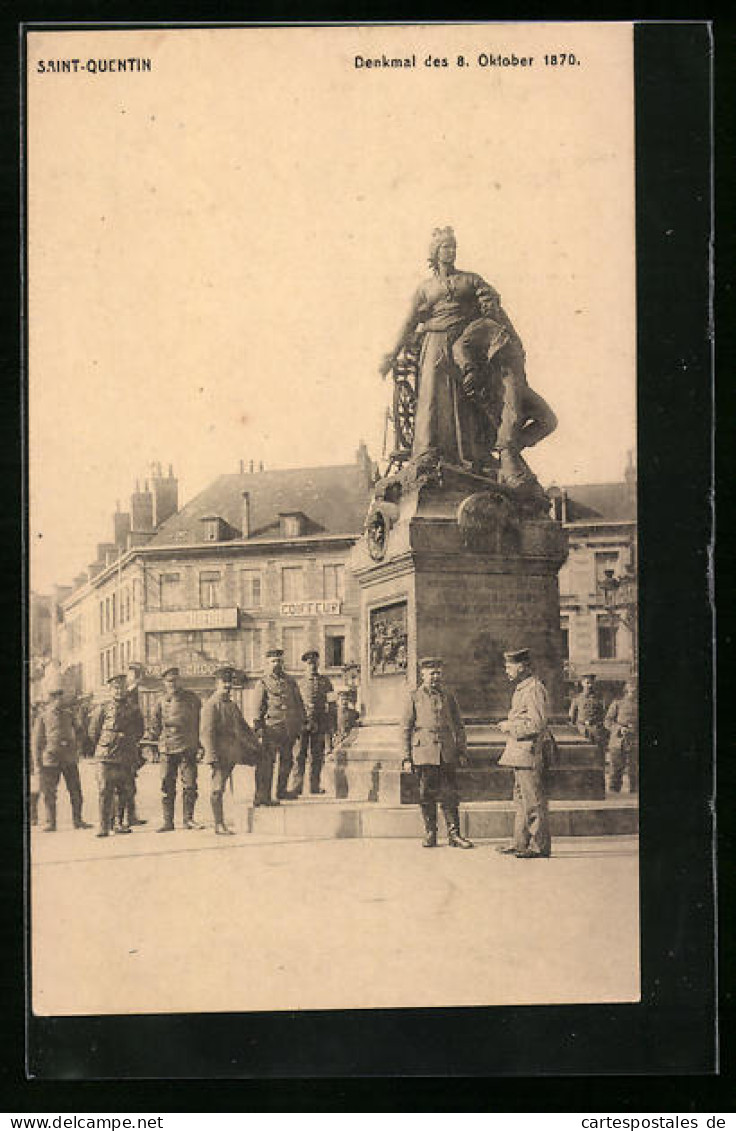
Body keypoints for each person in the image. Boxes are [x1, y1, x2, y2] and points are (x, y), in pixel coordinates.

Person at [379, 226, 556, 485]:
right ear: (435, 252)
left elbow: (493, 309)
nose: (450, 251)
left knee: (466, 404)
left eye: (453, 246)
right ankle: (428, 455)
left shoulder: (471, 280)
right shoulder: (425, 288)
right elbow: (409, 321)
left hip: (467, 345)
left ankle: (474, 456)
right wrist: (392, 354)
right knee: (432, 400)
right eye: (445, 247)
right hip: (435, 344)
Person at [400, 657, 474, 849]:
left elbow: (459, 725)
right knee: (426, 794)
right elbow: (405, 729)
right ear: (422, 674)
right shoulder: (414, 697)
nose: (435, 677)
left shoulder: (448, 696)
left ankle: (454, 834)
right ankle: (431, 833)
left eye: (438, 673)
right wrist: (406, 757)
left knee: (450, 794)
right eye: (431, 673)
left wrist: (462, 750)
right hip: (424, 753)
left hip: (446, 752)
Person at [496, 647, 553, 859]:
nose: (506, 671)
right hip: (520, 753)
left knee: (533, 800)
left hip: (529, 752)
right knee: (521, 799)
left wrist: (509, 726)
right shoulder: (523, 688)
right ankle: (520, 842)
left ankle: (539, 846)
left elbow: (537, 724)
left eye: (509, 666)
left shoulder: (533, 689)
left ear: (521, 667)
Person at [201, 667, 261, 835]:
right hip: (220, 754)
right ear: (217, 684)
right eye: (223, 682)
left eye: (229, 682)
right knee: (217, 788)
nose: (227, 685)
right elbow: (207, 733)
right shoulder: (211, 705)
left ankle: (255, 805)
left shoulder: (232, 705)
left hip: (234, 751)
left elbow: (242, 726)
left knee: (260, 764)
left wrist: (255, 743)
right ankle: (218, 824)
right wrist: (211, 755)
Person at [146, 666, 203, 832]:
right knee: (166, 785)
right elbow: (154, 726)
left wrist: (201, 745)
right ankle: (168, 822)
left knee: (190, 785)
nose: (173, 684)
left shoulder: (192, 699)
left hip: (187, 747)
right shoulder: (160, 701)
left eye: (175, 680)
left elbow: (199, 723)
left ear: (180, 681)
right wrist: (150, 745)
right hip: (167, 748)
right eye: (169, 681)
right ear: (164, 683)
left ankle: (188, 819)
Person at [32, 676, 92, 832]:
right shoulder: (43, 717)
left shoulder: (70, 715)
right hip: (50, 760)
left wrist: (77, 746)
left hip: (69, 759)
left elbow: (81, 732)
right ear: (50, 700)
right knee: (49, 793)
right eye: (55, 697)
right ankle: (51, 823)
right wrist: (37, 763)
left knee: (75, 791)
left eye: (60, 696)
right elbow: (37, 742)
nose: (58, 700)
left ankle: (78, 821)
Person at [90, 673, 145, 837]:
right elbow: (93, 732)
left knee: (123, 790)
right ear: (110, 689)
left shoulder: (134, 709)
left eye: (122, 687)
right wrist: (109, 741)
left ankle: (119, 823)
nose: (119, 691)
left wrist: (128, 740)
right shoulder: (103, 708)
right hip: (105, 755)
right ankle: (103, 826)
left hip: (125, 755)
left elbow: (140, 731)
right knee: (104, 790)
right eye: (116, 687)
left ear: (126, 689)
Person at [253, 648, 306, 805]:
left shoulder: (290, 681)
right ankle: (263, 796)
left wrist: (302, 723)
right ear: (267, 664)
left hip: (288, 728)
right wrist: (258, 726)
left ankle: (281, 791)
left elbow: (299, 703)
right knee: (267, 763)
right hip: (272, 728)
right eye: (273, 661)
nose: (276, 664)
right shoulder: (262, 682)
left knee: (287, 761)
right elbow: (258, 707)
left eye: (279, 661)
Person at [290, 650, 334, 796]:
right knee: (299, 755)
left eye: (314, 663)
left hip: (320, 722)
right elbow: (294, 704)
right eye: (309, 664)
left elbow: (332, 703)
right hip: (302, 723)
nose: (312, 666)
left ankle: (314, 786)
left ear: (318, 663)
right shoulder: (299, 684)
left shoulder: (326, 682)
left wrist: (330, 723)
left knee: (317, 755)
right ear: (305, 665)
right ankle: (297, 787)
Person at [112, 661, 148, 830]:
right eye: (133, 673)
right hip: (118, 748)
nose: (135, 676)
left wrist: (135, 739)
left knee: (130, 783)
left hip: (130, 746)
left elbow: (139, 724)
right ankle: (119, 819)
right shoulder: (127, 694)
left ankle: (131, 816)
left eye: (136, 672)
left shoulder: (133, 692)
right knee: (121, 785)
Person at [605, 676, 639, 792]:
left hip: (635, 741)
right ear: (626, 689)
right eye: (630, 688)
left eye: (635, 689)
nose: (632, 691)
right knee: (615, 770)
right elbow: (607, 721)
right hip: (617, 742)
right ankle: (614, 794)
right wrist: (620, 728)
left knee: (635, 770)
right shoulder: (617, 704)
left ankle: (634, 794)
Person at [569, 672, 608, 759]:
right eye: (587, 683)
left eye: (591, 683)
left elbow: (604, 714)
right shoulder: (577, 699)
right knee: (584, 755)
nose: (589, 685)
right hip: (582, 730)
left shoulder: (599, 698)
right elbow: (572, 717)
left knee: (599, 755)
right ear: (582, 683)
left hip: (597, 729)